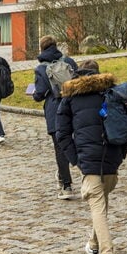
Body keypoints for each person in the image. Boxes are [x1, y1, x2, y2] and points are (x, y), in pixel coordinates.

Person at [56, 60, 127, 254]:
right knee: (101, 203)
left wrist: (76, 160)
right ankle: (93, 245)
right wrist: (120, 156)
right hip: (111, 158)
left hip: (88, 159)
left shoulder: (70, 98)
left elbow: (62, 133)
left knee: (98, 207)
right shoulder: (114, 93)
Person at [33, 35, 78, 199]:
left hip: (54, 111)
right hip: (73, 107)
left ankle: (66, 185)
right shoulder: (70, 62)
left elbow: (39, 94)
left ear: (42, 49)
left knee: (60, 148)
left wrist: (35, 95)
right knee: (78, 140)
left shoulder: (40, 69)